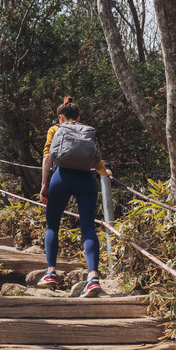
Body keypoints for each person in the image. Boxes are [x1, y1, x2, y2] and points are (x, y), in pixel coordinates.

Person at [37, 98, 112, 297]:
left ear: (60, 117)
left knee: (52, 226)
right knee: (88, 227)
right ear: (78, 118)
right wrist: (105, 173)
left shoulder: (55, 129)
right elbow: (97, 160)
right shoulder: (87, 130)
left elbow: (47, 157)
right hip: (86, 180)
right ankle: (93, 277)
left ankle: (51, 272)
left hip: (61, 178)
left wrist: (44, 185)